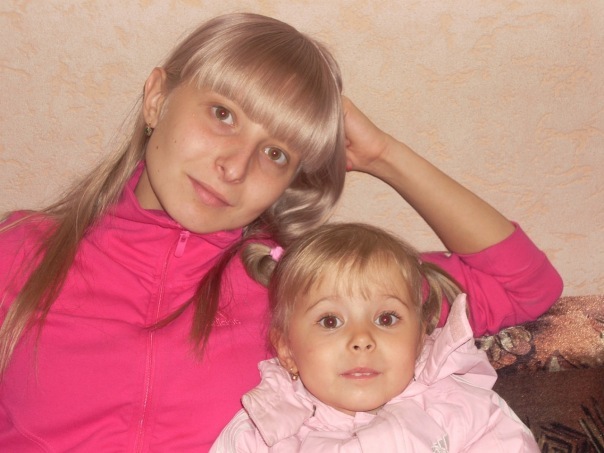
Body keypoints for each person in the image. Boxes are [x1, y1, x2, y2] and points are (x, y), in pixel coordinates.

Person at [0, 12, 561, 452]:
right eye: (222, 114)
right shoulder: (21, 251)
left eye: (275, 152)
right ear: (156, 99)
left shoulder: (299, 287)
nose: (234, 167)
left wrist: (383, 156)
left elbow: (523, 287)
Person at [211, 223, 540, 452]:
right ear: (287, 349)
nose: (361, 339)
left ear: (420, 337)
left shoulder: (462, 409)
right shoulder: (263, 432)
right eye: (330, 321)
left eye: (386, 319)